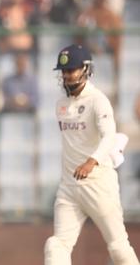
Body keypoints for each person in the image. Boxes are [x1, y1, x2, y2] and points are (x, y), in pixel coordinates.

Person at [44, 44, 139, 265]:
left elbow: (109, 136)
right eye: (64, 71)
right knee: (56, 245)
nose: (67, 75)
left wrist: (91, 161)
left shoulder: (98, 100)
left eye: (72, 70)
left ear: (86, 69)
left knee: (118, 246)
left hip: (98, 184)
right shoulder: (61, 104)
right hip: (69, 187)